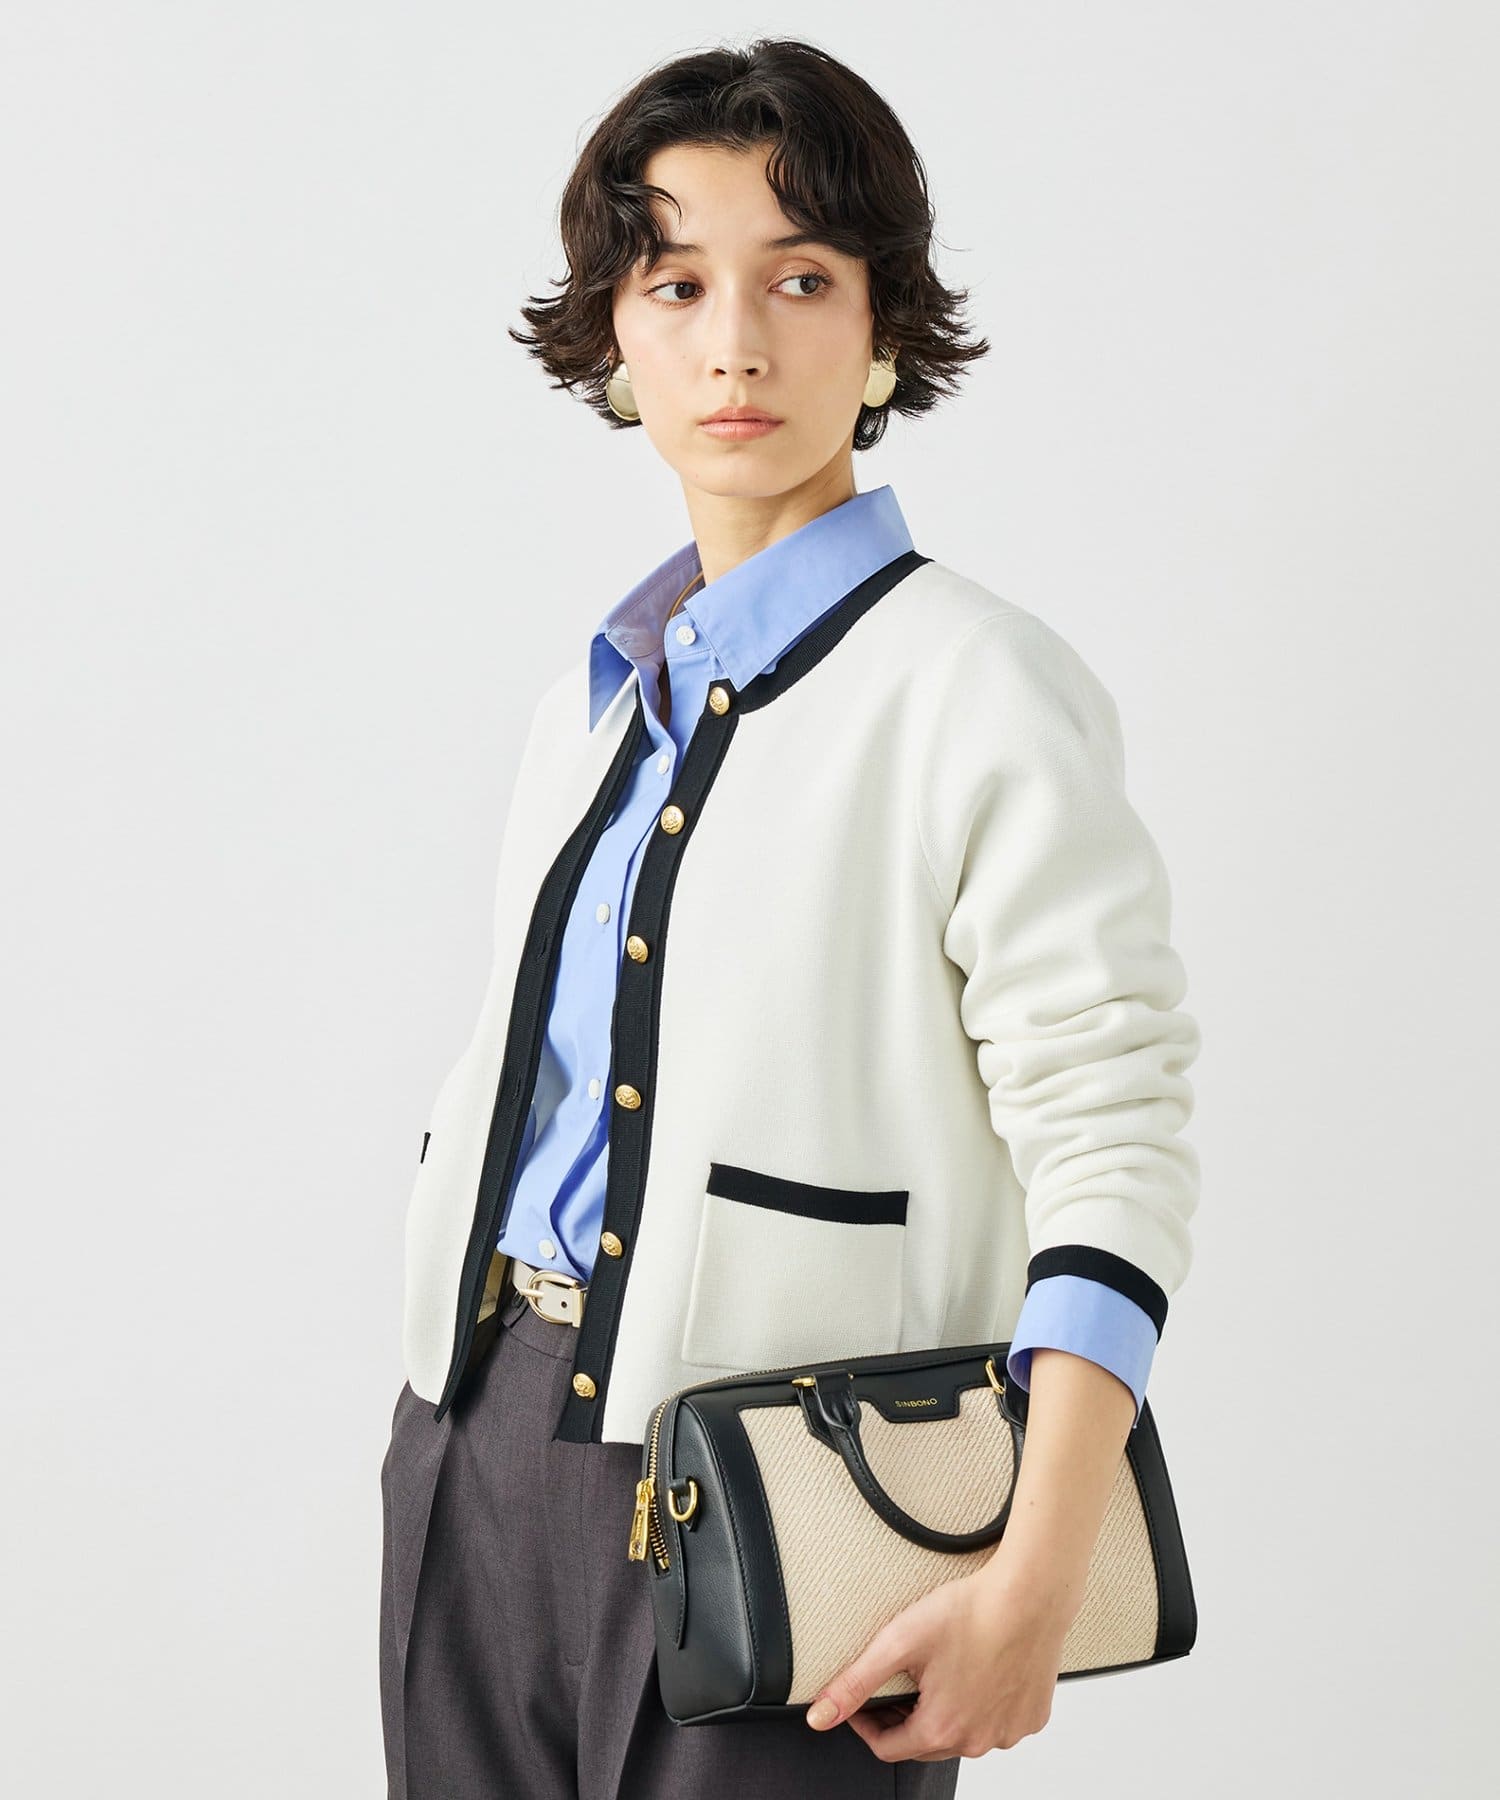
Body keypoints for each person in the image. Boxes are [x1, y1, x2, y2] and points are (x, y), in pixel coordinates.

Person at [379, 35, 1201, 1799]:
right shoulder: (597, 699)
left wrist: (1036, 1581)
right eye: (676, 283)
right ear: (616, 334)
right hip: (474, 1438)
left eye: (801, 278)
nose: (735, 342)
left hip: (797, 1491)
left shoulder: (981, 689)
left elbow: (1113, 1146)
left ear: (884, 324)